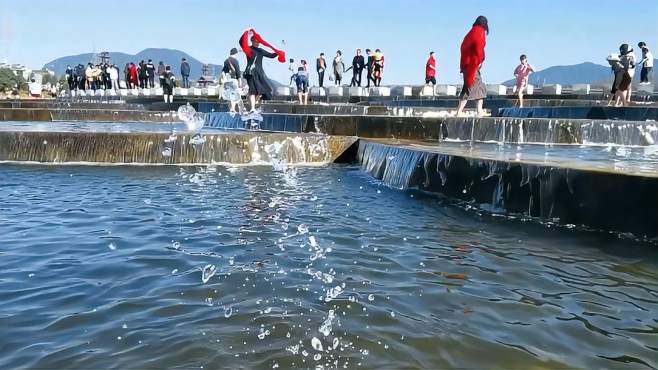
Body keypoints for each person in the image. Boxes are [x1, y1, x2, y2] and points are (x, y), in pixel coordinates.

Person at [239, 28, 286, 112]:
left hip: (259, 73)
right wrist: (246, 31)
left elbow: (271, 56)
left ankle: (254, 106)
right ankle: (253, 108)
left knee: (264, 90)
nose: (257, 43)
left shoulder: (261, 50)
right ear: (252, 41)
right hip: (251, 73)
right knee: (253, 90)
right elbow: (241, 42)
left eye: (258, 42)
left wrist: (278, 52)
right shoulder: (248, 49)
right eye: (256, 42)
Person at [456, 16, 489, 117]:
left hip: (467, 65)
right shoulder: (480, 31)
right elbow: (479, 47)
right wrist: (479, 60)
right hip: (472, 65)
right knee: (479, 87)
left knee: (467, 88)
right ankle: (479, 112)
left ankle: (459, 112)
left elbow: (463, 46)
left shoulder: (471, 32)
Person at [222, 47, 242, 112]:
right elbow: (238, 72)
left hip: (227, 80)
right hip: (233, 80)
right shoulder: (235, 61)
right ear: (235, 53)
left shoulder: (226, 61)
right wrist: (240, 81)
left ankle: (230, 108)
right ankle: (233, 109)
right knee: (235, 94)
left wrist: (224, 79)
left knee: (228, 95)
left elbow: (223, 71)